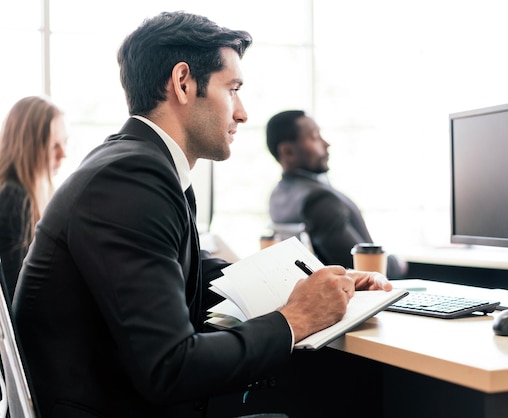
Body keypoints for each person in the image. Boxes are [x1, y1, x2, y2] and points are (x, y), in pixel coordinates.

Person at [12, 11, 392, 418]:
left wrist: (317, 282)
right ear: (183, 83)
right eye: (233, 89)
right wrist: (295, 318)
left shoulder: (137, 163)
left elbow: (190, 274)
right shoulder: (130, 177)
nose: (242, 113)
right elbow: (170, 366)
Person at [266, 110, 407, 279]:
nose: (326, 143)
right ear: (288, 151)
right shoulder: (319, 200)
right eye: (315, 137)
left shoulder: (278, 196)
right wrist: (398, 262)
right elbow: (365, 271)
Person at [0, 96, 67, 302]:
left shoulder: (29, 195)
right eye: (53, 145)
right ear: (29, 146)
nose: (63, 154)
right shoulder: (14, 199)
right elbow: (18, 294)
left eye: (64, 143)